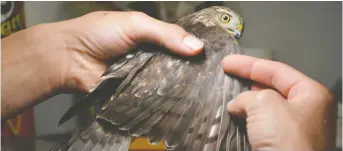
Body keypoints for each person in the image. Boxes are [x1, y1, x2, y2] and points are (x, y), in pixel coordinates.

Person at [2, 11, 336, 151]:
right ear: (209, 19)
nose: (232, 30)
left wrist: (68, 51)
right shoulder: (211, 41)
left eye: (235, 26)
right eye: (225, 19)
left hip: (114, 120)